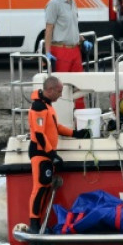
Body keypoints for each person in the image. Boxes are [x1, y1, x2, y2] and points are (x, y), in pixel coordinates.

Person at [28, 76, 91, 233]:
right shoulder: (39, 107)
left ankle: (39, 223)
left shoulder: (47, 106)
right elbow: (39, 134)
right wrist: (52, 155)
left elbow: (55, 127)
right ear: (49, 90)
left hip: (46, 153)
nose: (61, 95)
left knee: (45, 188)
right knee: (40, 188)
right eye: (59, 91)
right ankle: (34, 224)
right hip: (40, 153)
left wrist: (76, 133)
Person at [44, 0, 87, 108]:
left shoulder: (73, 3)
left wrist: (80, 38)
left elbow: (72, 25)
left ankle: (80, 117)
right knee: (61, 87)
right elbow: (49, 28)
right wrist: (47, 52)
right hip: (61, 50)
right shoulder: (54, 3)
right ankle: (62, 117)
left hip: (75, 49)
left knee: (80, 86)